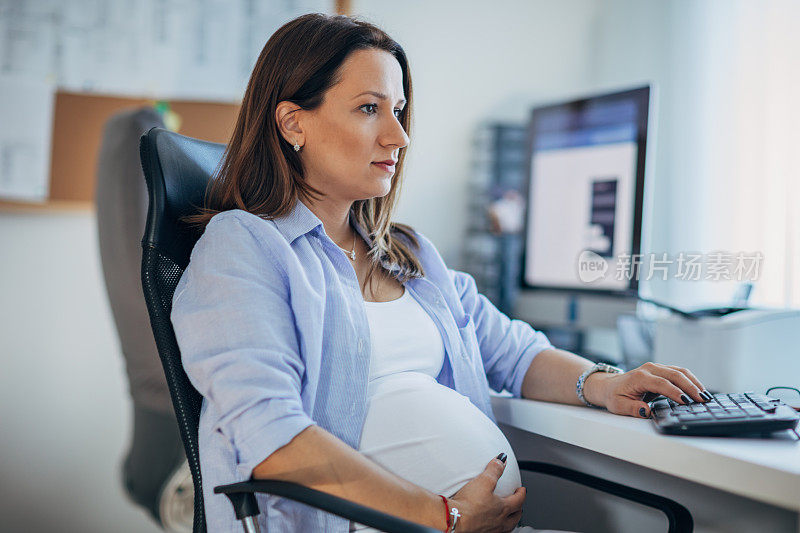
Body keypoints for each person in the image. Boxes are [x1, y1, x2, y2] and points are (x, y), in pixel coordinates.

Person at [170, 13, 712, 533]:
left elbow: (514, 353)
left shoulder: (409, 254)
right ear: (293, 122)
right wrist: (442, 516)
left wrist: (605, 384)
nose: (398, 137)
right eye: (368, 109)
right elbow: (273, 442)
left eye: (399, 111)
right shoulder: (245, 248)